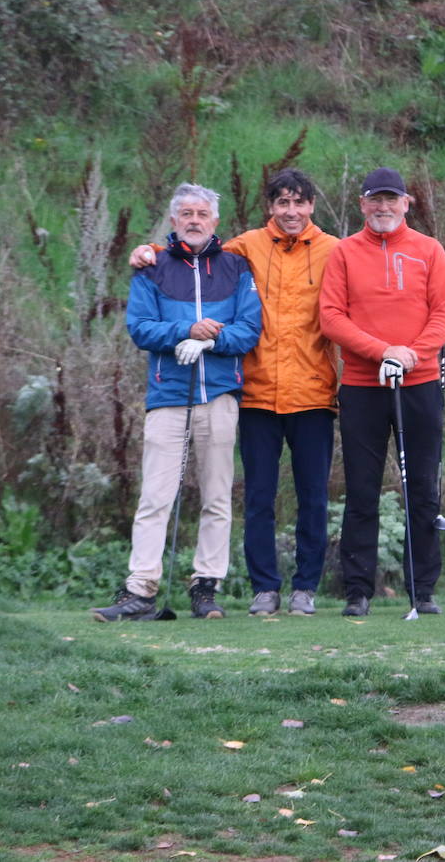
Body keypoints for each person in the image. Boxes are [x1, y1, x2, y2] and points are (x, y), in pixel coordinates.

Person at [130, 169, 339, 616]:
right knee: (257, 497)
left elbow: (368, 280)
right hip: (257, 394)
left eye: (299, 203)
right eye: (282, 203)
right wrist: (146, 251)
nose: (290, 211)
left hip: (313, 392)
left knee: (312, 498)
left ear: (311, 207)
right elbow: (187, 254)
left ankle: (305, 587)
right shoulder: (244, 249)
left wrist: (441, 264)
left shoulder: (334, 251)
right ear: (270, 207)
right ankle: (265, 588)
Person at [92, 183, 262, 622]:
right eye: (185, 213)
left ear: (215, 221)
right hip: (168, 395)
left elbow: (249, 330)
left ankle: (206, 587)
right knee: (155, 496)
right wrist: (184, 333)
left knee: (217, 497)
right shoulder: (152, 268)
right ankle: (140, 589)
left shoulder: (236, 268)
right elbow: (141, 328)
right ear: (173, 221)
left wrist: (213, 339)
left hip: (220, 396)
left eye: (202, 213)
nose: (194, 220)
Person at [318, 167, 445, 617]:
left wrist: (411, 355)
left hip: (418, 385)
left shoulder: (429, 250)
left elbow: (443, 317)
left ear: (405, 203)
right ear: (362, 205)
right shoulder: (343, 253)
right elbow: (332, 318)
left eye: (390, 199)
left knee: (421, 487)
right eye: (374, 200)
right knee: (361, 490)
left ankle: (423, 590)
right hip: (362, 386)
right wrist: (383, 352)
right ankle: (358, 590)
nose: (383, 207)